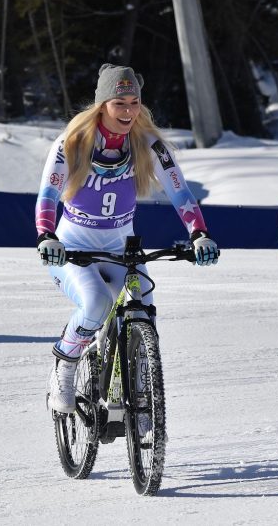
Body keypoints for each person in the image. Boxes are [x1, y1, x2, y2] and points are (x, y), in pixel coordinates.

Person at [34, 63, 220, 413]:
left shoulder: (149, 144)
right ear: (102, 105)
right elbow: (47, 196)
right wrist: (46, 236)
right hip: (74, 246)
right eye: (120, 103)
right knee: (95, 304)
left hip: (121, 246)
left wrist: (199, 234)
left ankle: (137, 386)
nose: (129, 111)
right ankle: (65, 365)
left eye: (135, 102)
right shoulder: (72, 142)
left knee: (144, 306)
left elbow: (181, 194)